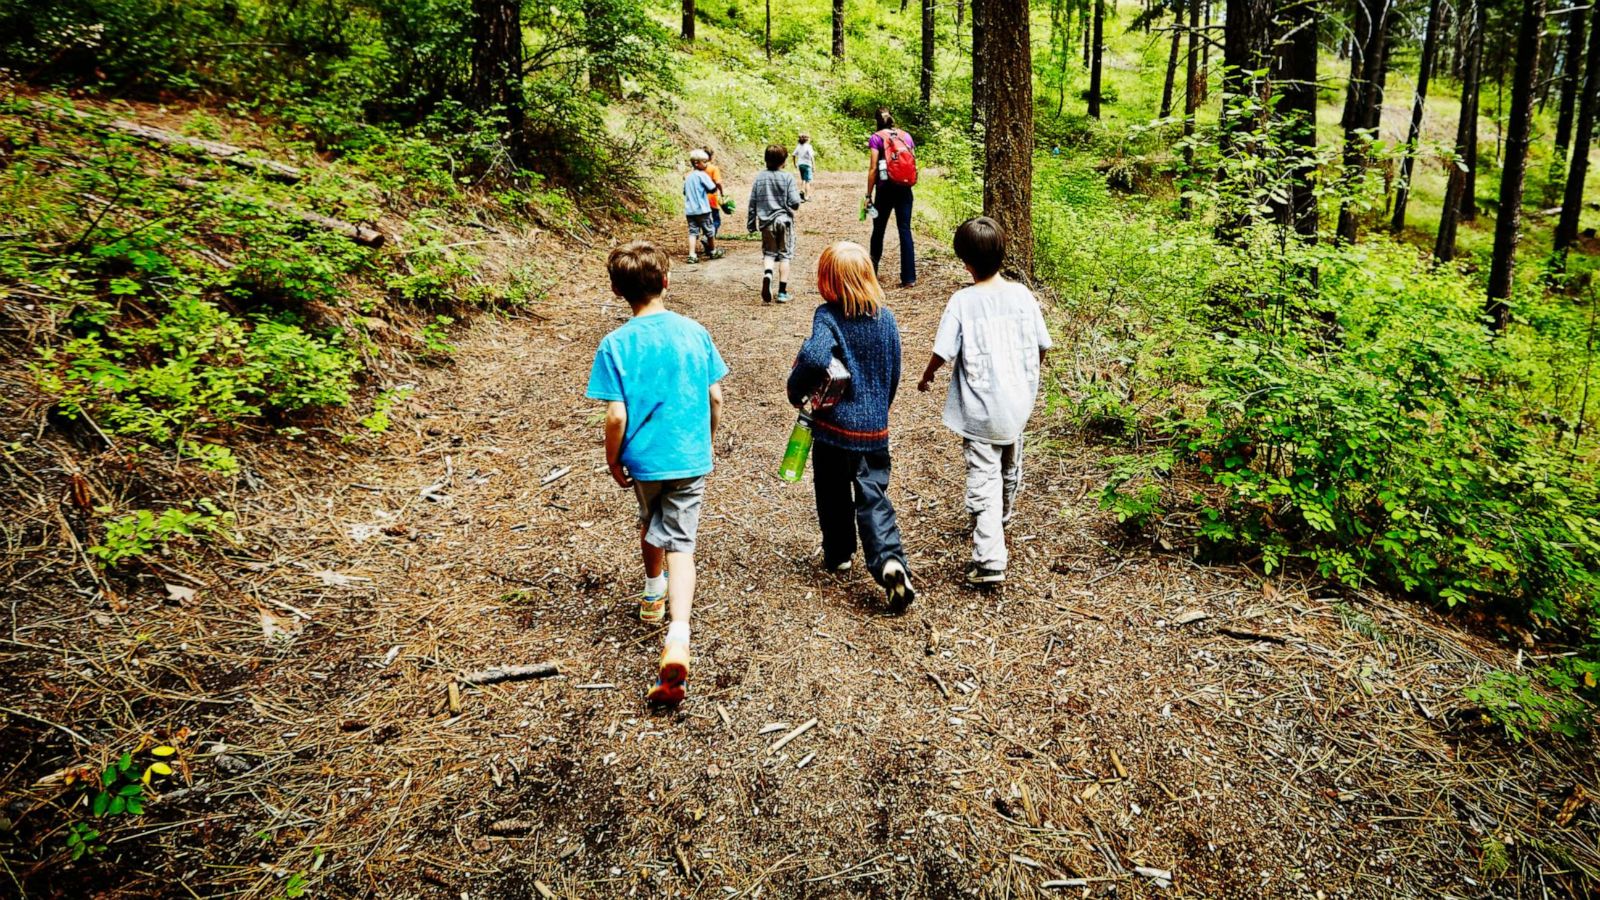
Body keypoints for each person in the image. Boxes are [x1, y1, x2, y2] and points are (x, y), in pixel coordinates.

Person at [586, 241, 728, 705]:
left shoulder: (615, 345)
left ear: (616, 290)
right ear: (666, 282)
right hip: (689, 456)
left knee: (651, 521)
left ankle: (653, 594)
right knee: (681, 543)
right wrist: (707, 439)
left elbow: (615, 418)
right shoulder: (695, 332)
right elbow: (716, 397)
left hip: (644, 460)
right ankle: (679, 635)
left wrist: (613, 459)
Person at [917, 217, 1052, 586]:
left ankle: (990, 557)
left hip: (979, 408)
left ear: (965, 262)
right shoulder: (1022, 295)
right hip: (1016, 404)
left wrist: (927, 376)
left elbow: (943, 351)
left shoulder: (963, 301)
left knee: (984, 475)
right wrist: (1024, 379)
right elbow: (1042, 346)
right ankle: (999, 520)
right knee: (1010, 465)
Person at [787, 242, 915, 609]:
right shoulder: (886, 318)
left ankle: (840, 553)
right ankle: (889, 559)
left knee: (832, 493)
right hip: (874, 430)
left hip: (833, 431)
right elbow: (893, 371)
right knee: (873, 497)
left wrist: (796, 391)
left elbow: (813, 356)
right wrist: (879, 408)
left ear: (827, 281)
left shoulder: (827, 316)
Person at [865, 108, 916, 288]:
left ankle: (872, 274)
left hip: (885, 189)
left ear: (877, 121)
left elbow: (873, 169)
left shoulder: (876, 138)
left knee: (878, 229)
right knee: (905, 230)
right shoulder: (906, 136)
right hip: (905, 189)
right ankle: (909, 277)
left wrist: (868, 194)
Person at [747, 143, 804, 304]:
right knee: (785, 256)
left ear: (766, 159)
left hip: (766, 223)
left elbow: (753, 202)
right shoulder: (787, 178)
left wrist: (751, 223)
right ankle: (782, 292)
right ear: (784, 161)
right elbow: (794, 203)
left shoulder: (760, 178)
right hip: (784, 221)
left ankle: (767, 274)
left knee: (769, 253)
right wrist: (799, 198)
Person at [684, 149, 724, 263]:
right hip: (703, 210)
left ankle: (692, 255)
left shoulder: (688, 177)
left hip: (690, 211)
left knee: (693, 232)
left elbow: (684, 191)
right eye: (704, 162)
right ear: (697, 163)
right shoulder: (702, 175)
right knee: (709, 230)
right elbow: (712, 188)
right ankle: (713, 251)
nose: (706, 164)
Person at [703, 147, 726, 236]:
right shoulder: (713, 168)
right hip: (712, 198)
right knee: (716, 220)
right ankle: (709, 237)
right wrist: (722, 192)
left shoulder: (697, 169)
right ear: (711, 157)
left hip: (700, 199)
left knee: (704, 220)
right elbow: (718, 182)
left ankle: (706, 239)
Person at [794, 133, 816, 201]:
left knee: (803, 179)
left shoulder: (798, 146)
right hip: (807, 165)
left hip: (800, 164)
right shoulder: (808, 146)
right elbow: (812, 157)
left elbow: (793, 155)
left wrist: (795, 164)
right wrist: (814, 166)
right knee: (807, 181)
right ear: (807, 139)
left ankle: (801, 191)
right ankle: (807, 196)